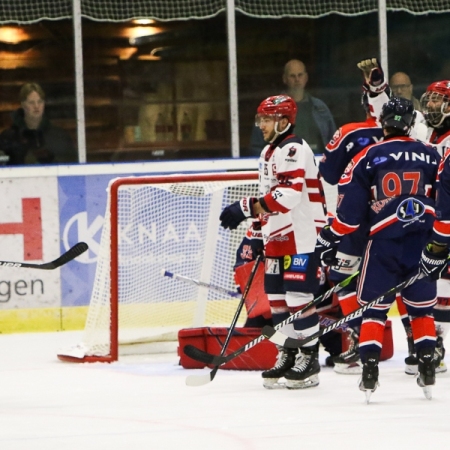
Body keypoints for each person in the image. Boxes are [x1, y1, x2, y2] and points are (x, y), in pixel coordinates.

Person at [315, 97, 441, 401]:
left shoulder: (366, 156)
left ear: (382, 122)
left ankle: (369, 368)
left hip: (383, 244)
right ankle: (426, 363)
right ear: (411, 123)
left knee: (374, 309)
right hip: (422, 241)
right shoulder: (431, 154)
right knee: (421, 309)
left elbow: (349, 215)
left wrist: (328, 238)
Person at [220, 94, 327, 389]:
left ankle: (309, 360)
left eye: (267, 119)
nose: (261, 125)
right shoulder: (268, 152)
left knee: (297, 299)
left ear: (283, 120)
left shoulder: (293, 147)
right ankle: (288, 353)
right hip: (277, 237)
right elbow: (267, 195)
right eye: (261, 119)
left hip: (302, 236)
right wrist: (256, 232)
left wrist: (244, 208)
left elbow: (288, 196)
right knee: (278, 303)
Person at [319, 57, 388, 375]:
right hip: (396, 221)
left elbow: (329, 175)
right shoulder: (410, 137)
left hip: (355, 221)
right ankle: (424, 348)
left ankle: (357, 342)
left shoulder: (349, 133)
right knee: (402, 283)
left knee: (344, 279)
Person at [417, 80, 450, 374]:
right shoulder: (430, 134)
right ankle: (436, 343)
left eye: (437, 100)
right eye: (429, 100)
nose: (430, 105)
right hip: (437, 220)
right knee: (439, 284)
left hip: (446, 221)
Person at [248, 59, 336, 156]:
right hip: (282, 167)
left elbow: (334, 142)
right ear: (284, 79)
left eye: (300, 75)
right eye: (292, 76)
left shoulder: (320, 108)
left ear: (306, 77)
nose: (297, 79)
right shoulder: (271, 109)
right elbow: (256, 146)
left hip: (316, 164)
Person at [0, 82, 77, 165]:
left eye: (40, 102)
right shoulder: (9, 138)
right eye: (31, 102)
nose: (36, 106)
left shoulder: (60, 136)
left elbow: (71, 166)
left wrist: (51, 159)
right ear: (23, 105)